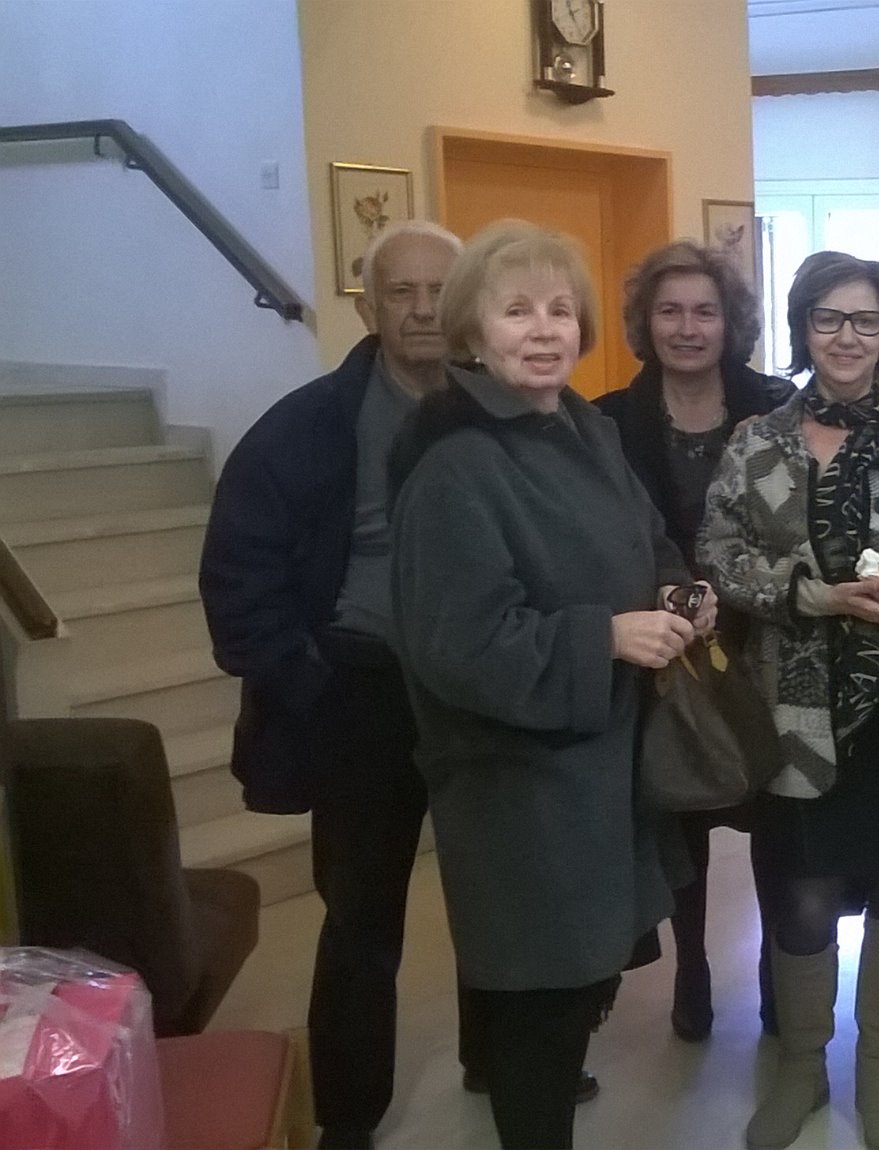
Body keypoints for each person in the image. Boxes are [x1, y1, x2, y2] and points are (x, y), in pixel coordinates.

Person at [198, 220, 568, 1150]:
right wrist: (307, 683)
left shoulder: (506, 410)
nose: (421, 309)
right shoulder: (309, 426)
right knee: (362, 916)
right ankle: (349, 1114)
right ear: (368, 307)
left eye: (438, 290)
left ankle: (497, 1060)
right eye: (399, 291)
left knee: (499, 892)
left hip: (485, 690)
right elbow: (238, 577)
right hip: (362, 696)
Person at [386, 221, 707, 1149]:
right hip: (519, 792)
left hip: (597, 772)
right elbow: (460, 646)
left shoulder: (582, 428)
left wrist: (678, 592)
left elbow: (650, 543)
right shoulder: (456, 463)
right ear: (471, 332)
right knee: (536, 1012)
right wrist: (604, 637)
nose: (543, 330)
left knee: (578, 995)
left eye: (560, 310)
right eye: (517, 310)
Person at [697, 251, 879, 1150]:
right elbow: (717, 552)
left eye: (865, 320)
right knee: (803, 897)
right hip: (795, 710)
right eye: (828, 318)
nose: (847, 337)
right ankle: (801, 1068)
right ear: (803, 327)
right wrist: (810, 595)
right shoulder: (758, 441)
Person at [594, 239, 792, 1043]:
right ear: (645, 322)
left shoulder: (777, 406)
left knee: (774, 814)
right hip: (662, 647)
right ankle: (692, 969)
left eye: (704, 311)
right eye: (669, 311)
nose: (686, 328)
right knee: (682, 815)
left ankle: (779, 971)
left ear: (730, 322)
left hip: (765, 638)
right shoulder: (606, 420)